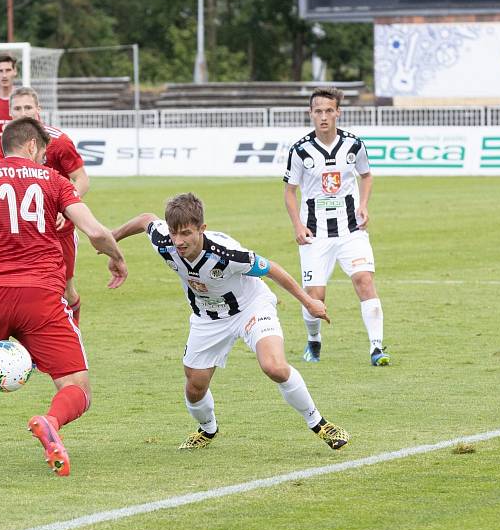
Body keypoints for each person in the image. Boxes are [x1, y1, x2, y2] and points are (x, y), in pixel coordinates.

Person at [0, 117, 127, 476]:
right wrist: (116, 258)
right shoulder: (55, 181)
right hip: (42, 296)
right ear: (32, 146)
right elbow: (93, 229)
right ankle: (50, 421)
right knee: (77, 387)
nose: (44, 158)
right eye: (43, 151)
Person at [111, 193, 350, 451]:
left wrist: (309, 302)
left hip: (250, 307)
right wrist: (110, 238)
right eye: (173, 233)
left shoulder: (227, 254)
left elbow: (271, 268)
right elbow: (146, 219)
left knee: (274, 366)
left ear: (202, 229)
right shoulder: (163, 241)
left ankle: (319, 423)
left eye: (186, 233)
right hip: (208, 318)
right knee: (194, 387)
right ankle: (208, 429)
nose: (178, 241)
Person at [283, 86, 390, 367]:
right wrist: (297, 225)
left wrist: (363, 205)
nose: (324, 117)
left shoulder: (354, 145)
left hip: (351, 230)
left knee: (364, 280)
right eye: (318, 111)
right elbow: (289, 191)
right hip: (315, 234)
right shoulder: (300, 150)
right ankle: (314, 341)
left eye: (329, 111)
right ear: (311, 114)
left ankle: (377, 348)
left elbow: (366, 176)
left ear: (338, 113)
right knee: (315, 297)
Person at [9, 86, 89, 323]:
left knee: (63, 290)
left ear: (38, 110)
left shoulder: (59, 141)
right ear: (10, 111)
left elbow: (82, 178)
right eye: (18, 108)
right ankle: (31, 348)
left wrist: (67, 207)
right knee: (22, 289)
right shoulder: (9, 142)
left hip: (58, 229)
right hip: (24, 227)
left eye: (28, 107)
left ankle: (73, 336)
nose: (23, 112)